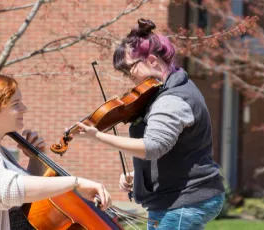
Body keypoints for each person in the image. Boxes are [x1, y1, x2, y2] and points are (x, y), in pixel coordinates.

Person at [76, 18, 225, 230]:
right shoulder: (179, 86)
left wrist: (97, 136)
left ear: (153, 61)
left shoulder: (171, 100)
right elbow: (178, 150)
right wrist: (142, 175)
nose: (129, 78)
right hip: (182, 196)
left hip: (183, 199)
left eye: (130, 69)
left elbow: (153, 147)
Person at [0, 73, 112, 230]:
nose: (24, 109)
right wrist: (75, 183)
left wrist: (35, 160)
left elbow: (26, 204)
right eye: (16, 104)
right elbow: (5, 191)